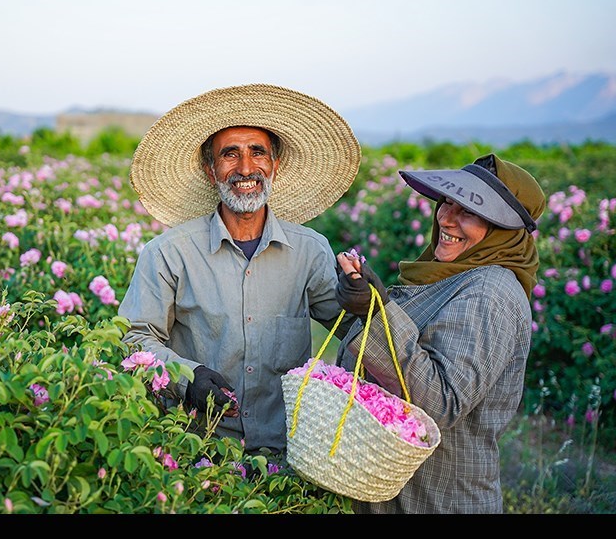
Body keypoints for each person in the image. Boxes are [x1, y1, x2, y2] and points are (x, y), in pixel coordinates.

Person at [118, 83, 361, 454]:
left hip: (286, 451)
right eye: (229, 155)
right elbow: (134, 338)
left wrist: (367, 301)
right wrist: (188, 378)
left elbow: (353, 332)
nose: (245, 168)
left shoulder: (309, 251)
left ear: (274, 166)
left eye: (257, 153)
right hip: (196, 450)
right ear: (210, 169)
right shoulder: (169, 253)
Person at [334, 153, 546, 513]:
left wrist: (377, 316)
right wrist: (368, 305)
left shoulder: (489, 293)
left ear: (503, 229)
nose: (445, 217)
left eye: (469, 211)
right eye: (447, 201)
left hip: (436, 501)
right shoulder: (455, 277)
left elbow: (440, 402)